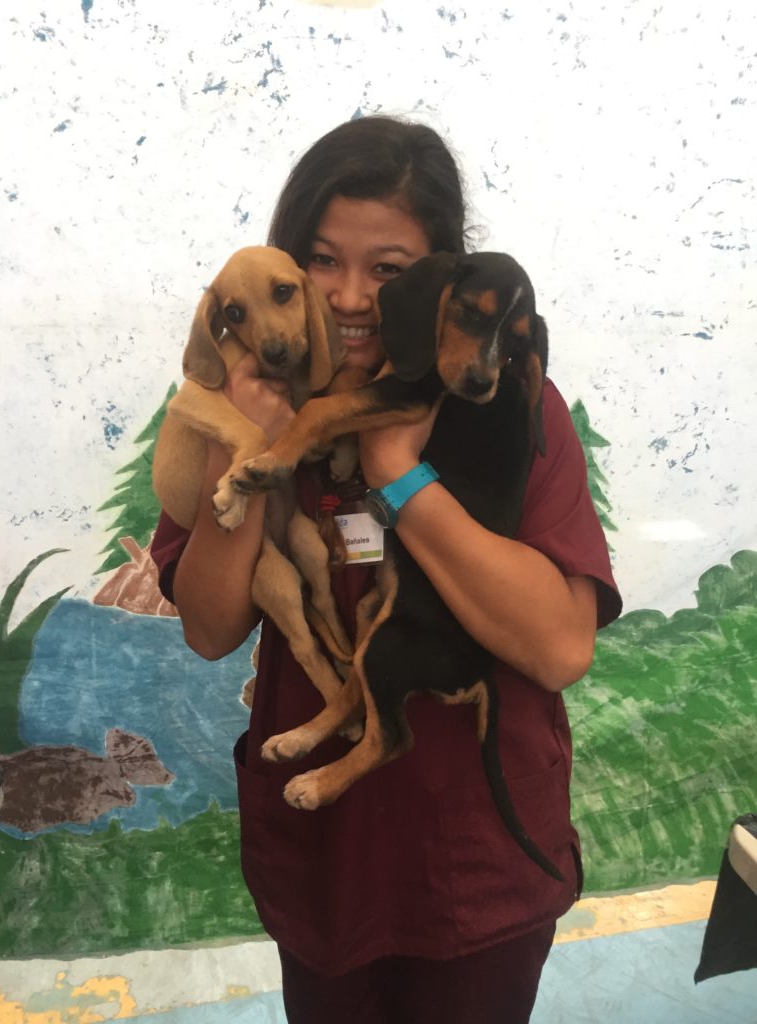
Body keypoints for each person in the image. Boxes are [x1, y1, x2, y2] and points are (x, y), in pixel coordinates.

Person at [151, 115, 622, 1024]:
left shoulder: (515, 406)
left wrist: (399, 473)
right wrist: (247, 444)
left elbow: (561, 648)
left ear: (442, 281)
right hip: (326, 854)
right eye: (321, 261)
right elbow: (210, 629)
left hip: (479, 856)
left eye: (390, 270)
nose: (351, 297)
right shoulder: (250, 414)